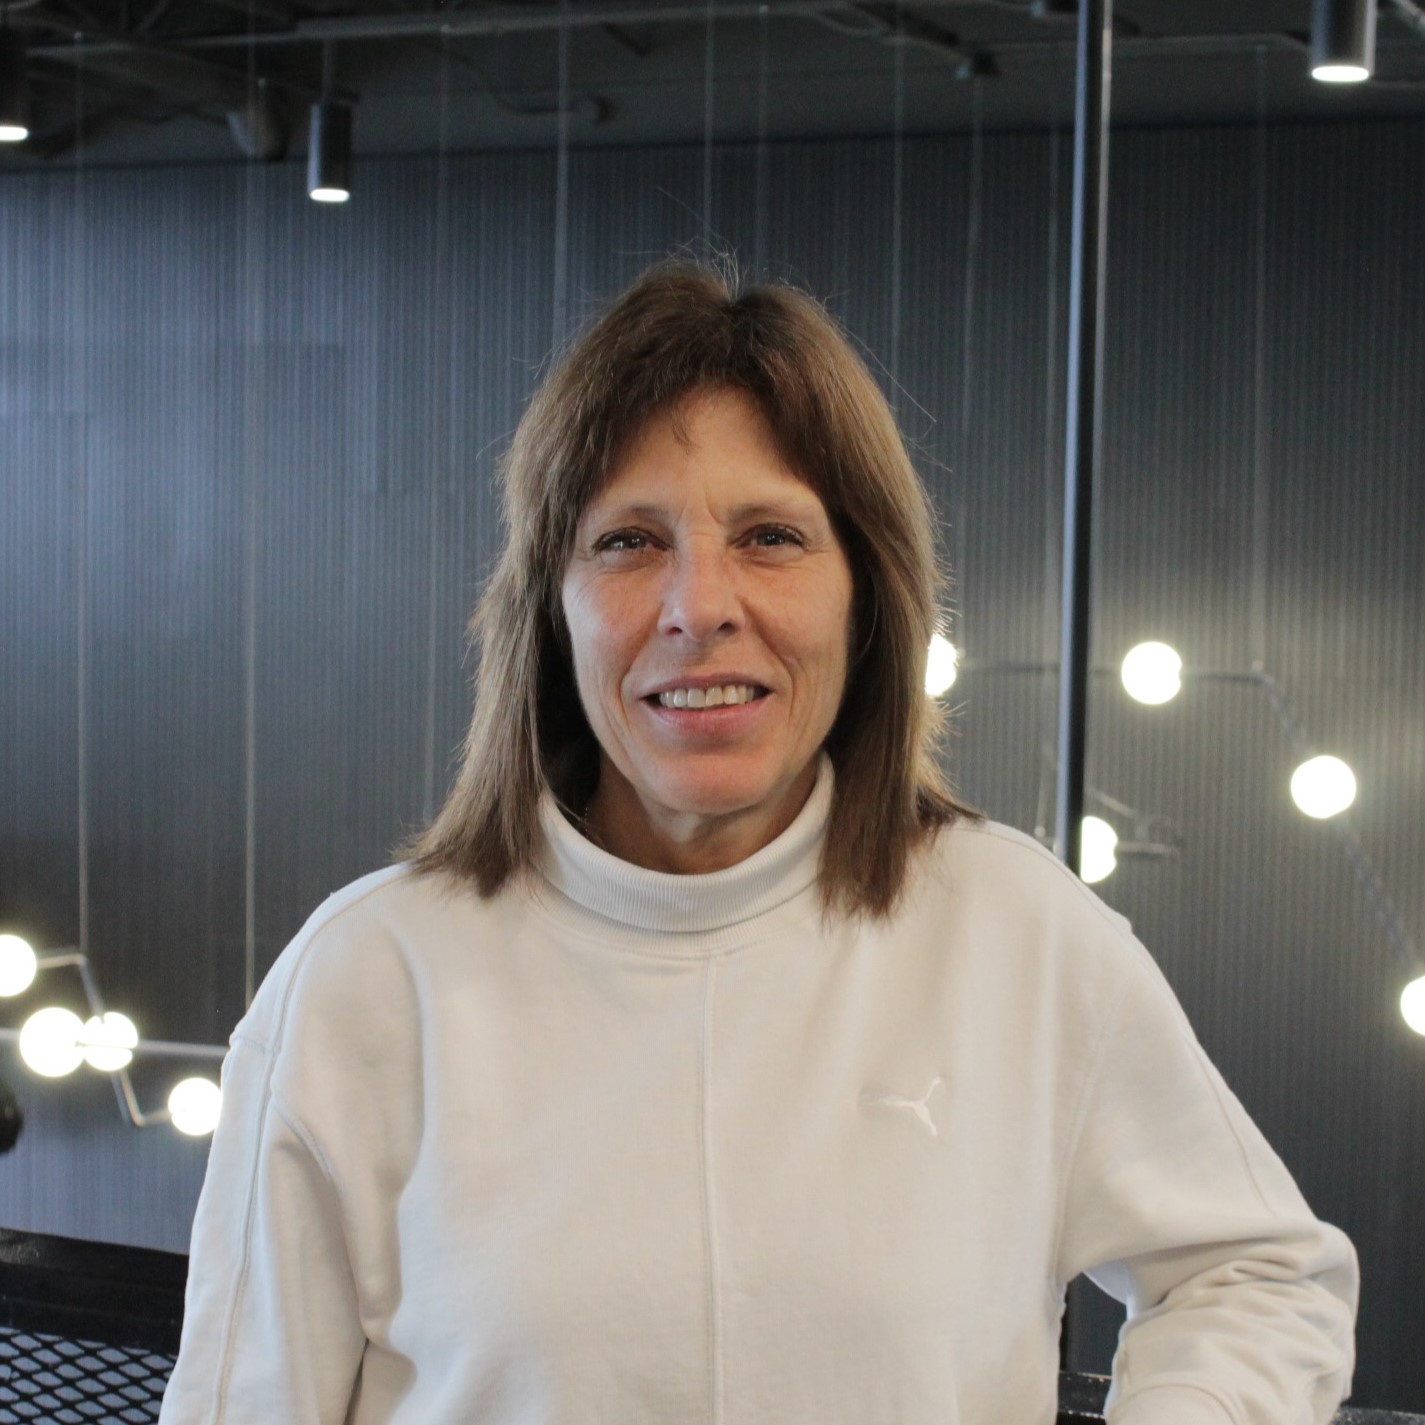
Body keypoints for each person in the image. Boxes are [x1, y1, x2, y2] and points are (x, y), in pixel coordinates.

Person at [159, 258, 1358, 1425]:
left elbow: (1256, 1278)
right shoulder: (366, 976)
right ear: (550, 610)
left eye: (770, 537)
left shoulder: (1014, 929)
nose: (701, 607)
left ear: (867, 595)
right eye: (629, 541)